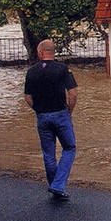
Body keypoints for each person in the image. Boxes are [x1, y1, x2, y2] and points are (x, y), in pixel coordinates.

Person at [24, 39, 78, 201]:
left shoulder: (31, 71)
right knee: (69, 147)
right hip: (60, 113)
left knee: (48, 153)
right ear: (53, 52)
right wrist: (69, 111)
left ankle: (54, 184)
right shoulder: (62, 69)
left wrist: (39, 110)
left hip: (42, 116)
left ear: (40, 52)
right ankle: (58, 185)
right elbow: (73, 93)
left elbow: (27, 97)